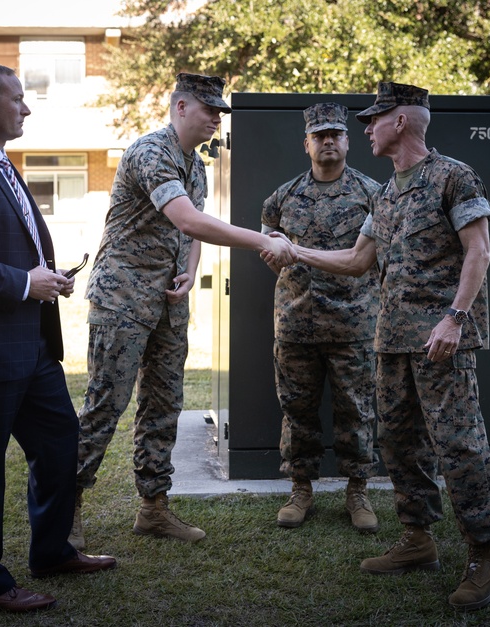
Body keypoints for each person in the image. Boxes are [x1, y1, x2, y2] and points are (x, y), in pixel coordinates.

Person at [266, 82, 490, 611]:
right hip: (391, 342)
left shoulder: (453, 176)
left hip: (440, 342)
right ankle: (418, 540)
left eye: (373, 120)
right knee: (401, 446)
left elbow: (480, 253)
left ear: (400, 121)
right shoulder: (385, 193)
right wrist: (295, 251)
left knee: (459, 447)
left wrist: (454, 318)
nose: (366, 129)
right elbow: (357, 261)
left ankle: (487, 557)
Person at [70, 73, 295, 548]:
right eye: (208, 109)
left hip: (169, 303)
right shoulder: (151, 152)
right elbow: (187, 217)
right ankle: (64, 507)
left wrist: (191, 272)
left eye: (220, 112)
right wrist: (261, 241)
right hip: (123, 298)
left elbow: (190, 234)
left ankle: (153, 508)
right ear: (179, 107)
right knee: (106, 403)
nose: (216, 118)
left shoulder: (197, 167)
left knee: (164, 405)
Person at [0, 63, 116, 613]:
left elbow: (8, 245)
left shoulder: (1, 165)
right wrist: (23, 282)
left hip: (32, 346)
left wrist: (44, 279)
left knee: (59, 447)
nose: (26, 108)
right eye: (17, 99)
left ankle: (51, 551)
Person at [260, 102, 381, 532]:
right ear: (306, 144)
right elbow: (269, 245)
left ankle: (358, 491)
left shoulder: (372, 194)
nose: (328, 141)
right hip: (295, 323)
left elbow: (376, 259)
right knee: (297, 410)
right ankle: (301, 490)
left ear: (348, 141)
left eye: (335, 134)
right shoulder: (283, 197)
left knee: (358, 409)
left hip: (355, 325)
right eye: (320, 135)